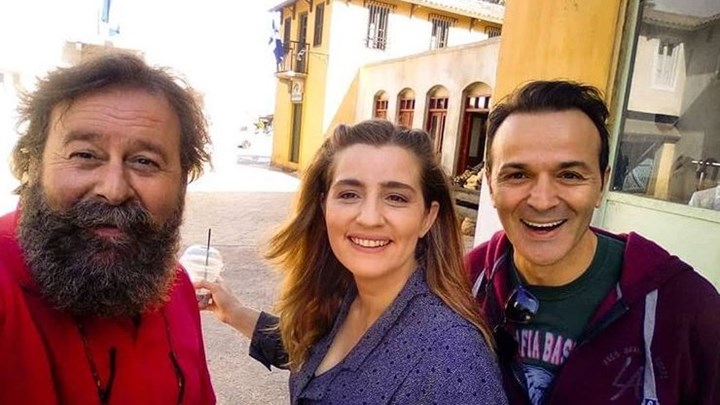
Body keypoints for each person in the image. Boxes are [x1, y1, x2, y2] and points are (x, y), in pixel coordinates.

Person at [199, 119, 507, 404]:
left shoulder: (453, 358)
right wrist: (234, 312)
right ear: (324, 206)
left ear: (427, 217)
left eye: (396, 197)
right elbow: (307, 353)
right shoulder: (343, 295)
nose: (369, 217)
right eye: (349, 194)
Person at [465, 80, 720, 405]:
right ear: (489, 183)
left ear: (601, 184)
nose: (542, 201)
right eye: (518, 175)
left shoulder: (686, 309)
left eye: (569, 175)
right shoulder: (461, 287)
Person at [0, 52, 216, 404]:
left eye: (145, 161)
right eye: (85, 155)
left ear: (182, 181)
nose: (114, 190)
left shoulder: (175, 288)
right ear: (31, 164)